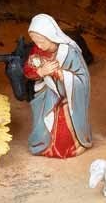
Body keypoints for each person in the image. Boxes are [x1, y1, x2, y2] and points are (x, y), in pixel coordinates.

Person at [23, 13, 92, 158]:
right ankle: (44, 146)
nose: (38, 45)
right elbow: (28, 70)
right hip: (45, 94)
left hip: (67, 96)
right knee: (42, 125)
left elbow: (82, 80)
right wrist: (41, 72)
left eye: (41, 41)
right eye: (35, 41)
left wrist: (60, 74)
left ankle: (75, 144)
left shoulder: (69, 52)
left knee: (63, 121)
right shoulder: (37, 50)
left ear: (50, 35)